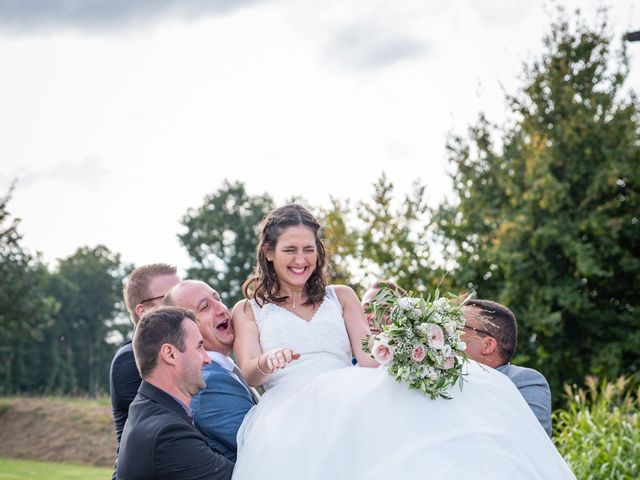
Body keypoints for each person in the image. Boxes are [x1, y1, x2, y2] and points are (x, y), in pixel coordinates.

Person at [230, 204, 575, 480]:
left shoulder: (342, 296)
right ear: (268, 251)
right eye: (290, 250)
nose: (301, 260)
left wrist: (415, 347)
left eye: (309, 249)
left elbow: (368, 357)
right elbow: (248, 372)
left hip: (345, 394)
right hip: (287, 408)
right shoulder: (249, 309)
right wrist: (266, 362)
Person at [117, 306, 234, 480]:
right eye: (199, 347)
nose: (207, 358)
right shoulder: (167, 434)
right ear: (170, 354)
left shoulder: (146, 408)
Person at [164, 280, 259, 462]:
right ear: (186, 330)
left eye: (218, 299)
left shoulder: (226, 370)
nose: (222, 309)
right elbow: (262, 443)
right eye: (205, 307)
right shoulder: (209, 383)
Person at [110, 263, 180, 479]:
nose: (181, 303)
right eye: (169, 298)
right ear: (143, 311)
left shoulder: (181, 352)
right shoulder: (130, 360)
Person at [462, 298, 553, 436]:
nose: (447, 333)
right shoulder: (432, 381)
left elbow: (531, 442)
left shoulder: (525, 382)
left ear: (487, 345)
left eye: (458, 327)